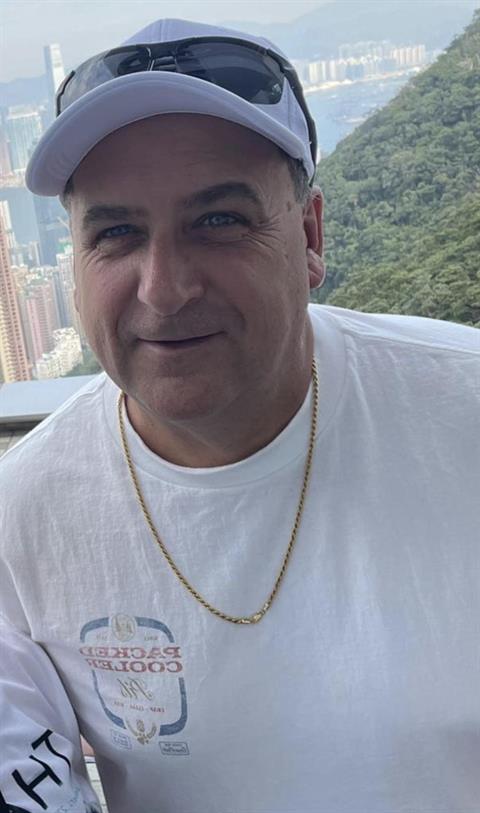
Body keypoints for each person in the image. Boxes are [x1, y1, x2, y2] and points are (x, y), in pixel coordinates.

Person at [0, 16, 479, 813]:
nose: (164, 287)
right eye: (116, 232)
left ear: (310, 234)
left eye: (218, 220)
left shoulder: (462, 416)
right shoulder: (23, 516)